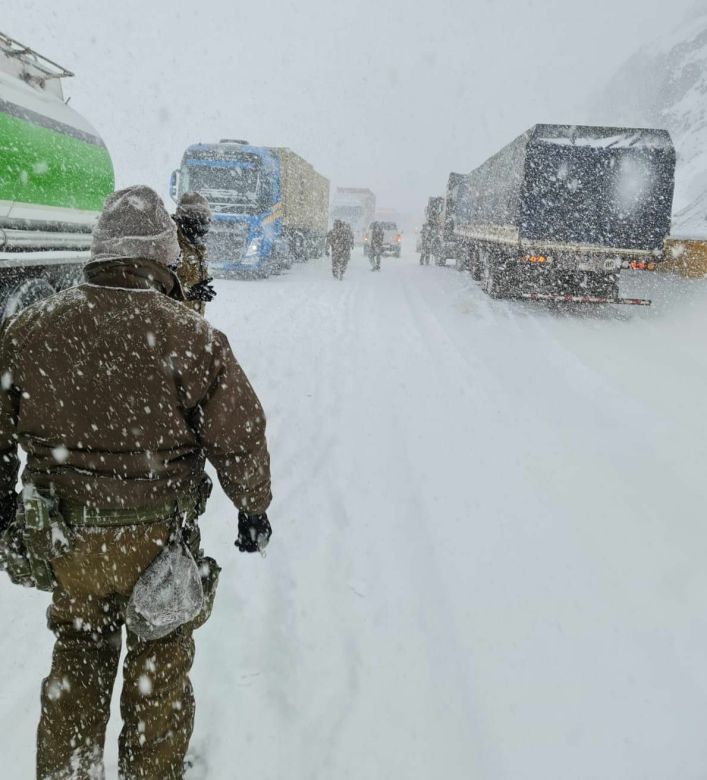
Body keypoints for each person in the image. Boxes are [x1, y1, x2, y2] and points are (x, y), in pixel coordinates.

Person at [0, 185, 272, 779]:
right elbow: (238, 430)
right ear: (163, 258)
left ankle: (68, 771)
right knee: (160, 672)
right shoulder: (191, 336)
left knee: (77, 655)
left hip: (67, 541)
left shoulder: (27, 330)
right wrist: (252, 506)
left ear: (99, 250)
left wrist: (3, 514)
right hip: (157, 545)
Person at [173, 191, 215, 314]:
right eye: (196, 217)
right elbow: (160, 290)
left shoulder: (198, 246)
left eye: (204, 218)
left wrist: (198, 291)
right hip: (173, 323)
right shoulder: (170, 244)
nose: (201, 224)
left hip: (193, 321)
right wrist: (188, 293)